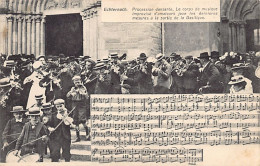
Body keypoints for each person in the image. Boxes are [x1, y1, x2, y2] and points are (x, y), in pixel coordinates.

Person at [66, 76, 89, 142]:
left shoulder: (83, 87)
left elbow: (86, 96)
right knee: (75, 120)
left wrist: (80, 92)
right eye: (75, 82)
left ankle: (87, 133)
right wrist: (70, 93)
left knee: (82, 119)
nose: (77, 83)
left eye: (78, 82)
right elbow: (68, 96)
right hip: (74, 104)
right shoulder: (73, 88)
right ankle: (77, 136)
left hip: (81, 104)